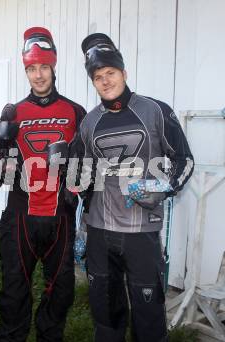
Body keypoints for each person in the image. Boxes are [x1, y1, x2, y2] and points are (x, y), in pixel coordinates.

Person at [78, 33, 194, 342]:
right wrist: (82, 223)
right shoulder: (89, 123)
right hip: (101, 233)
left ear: (124, 73)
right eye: (98, 77)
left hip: (141, 232)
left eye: (111, 73)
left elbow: (185, 161)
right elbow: (86, 177)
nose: (105, 81)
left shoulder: (155, 110)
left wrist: (159, 187)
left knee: (148, 315)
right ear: (93, 82)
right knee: (105, 312)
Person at [0, 27, 86, 342]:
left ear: (53, 66)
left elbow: (87, 164)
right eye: (31, 68)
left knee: (61, 289)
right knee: (14, 287)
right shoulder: (13, 112)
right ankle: (12, 336)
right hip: (20, 215)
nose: (38, 75)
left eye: (43, 67)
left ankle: (49, 335)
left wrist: (77, 186)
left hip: (60, 215)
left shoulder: (75, 112)